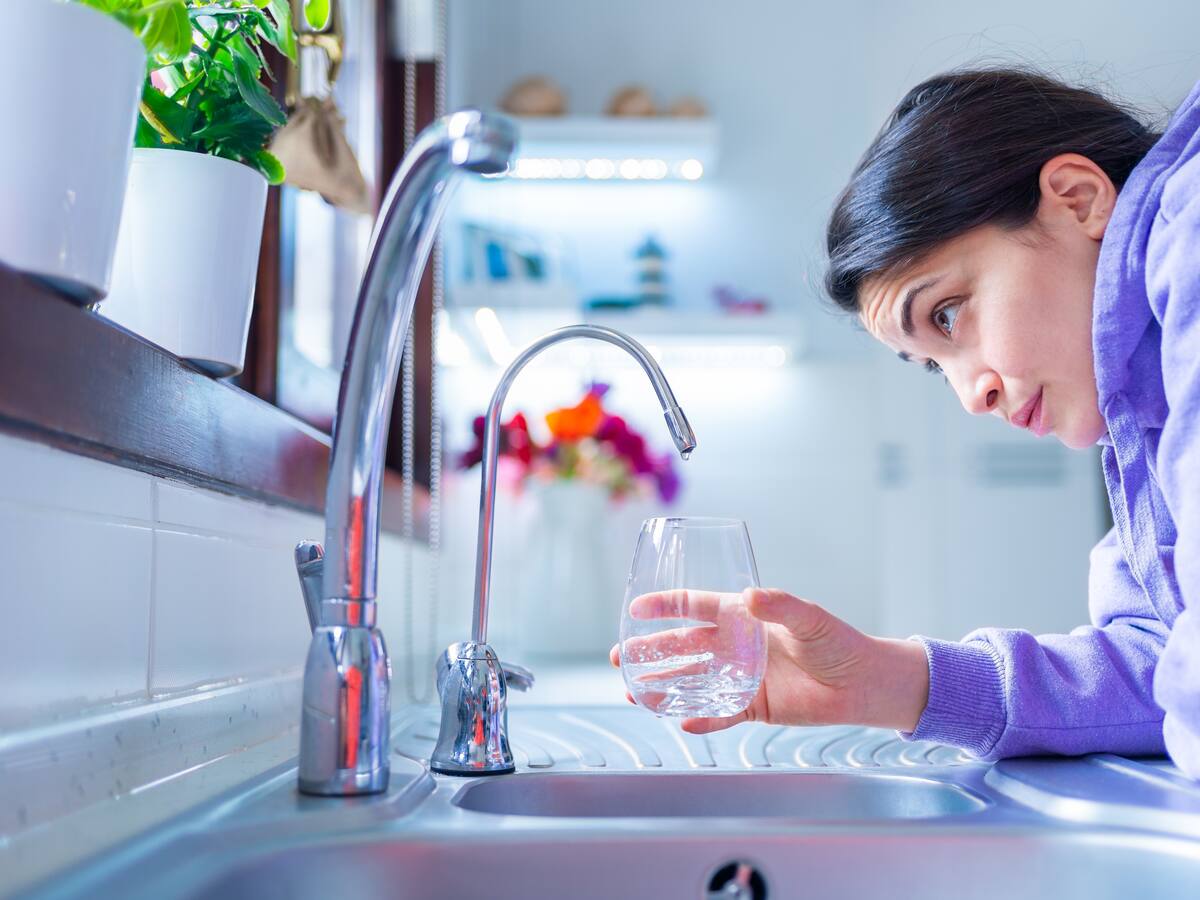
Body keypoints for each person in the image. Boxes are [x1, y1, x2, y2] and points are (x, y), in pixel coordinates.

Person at [610, 68, 1200, 778]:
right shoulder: (1147, 404)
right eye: (932, 364)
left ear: (1077, 199)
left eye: (947, 314)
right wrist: (882, 682)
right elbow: (1159, 663)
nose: (971, 397)